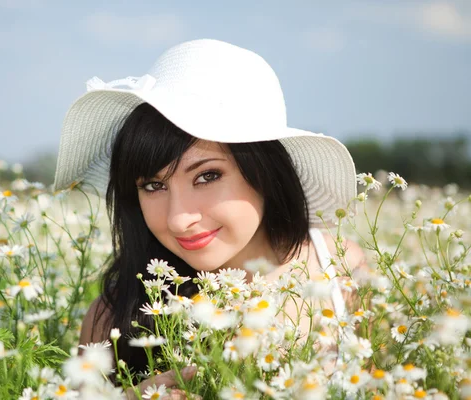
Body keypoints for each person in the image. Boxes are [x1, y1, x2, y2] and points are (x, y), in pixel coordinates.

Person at [53, 39, 367, 396]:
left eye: (207, 176)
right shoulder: (111, 319)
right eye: (154, 186)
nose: (178, 219)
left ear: (264, 172)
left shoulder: (341, 271)